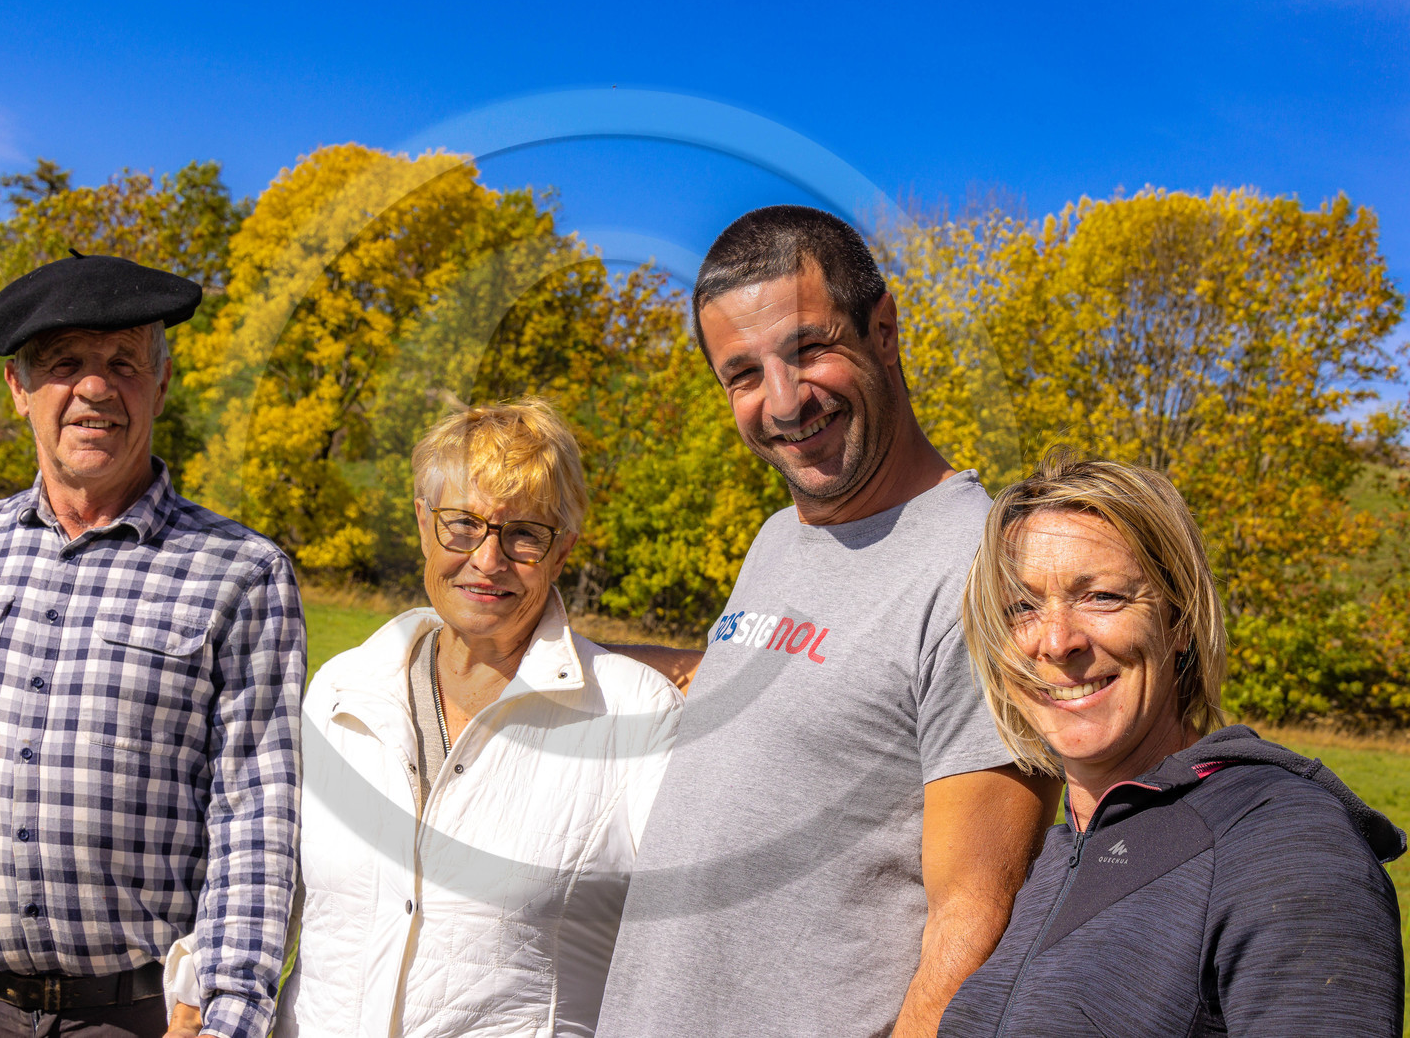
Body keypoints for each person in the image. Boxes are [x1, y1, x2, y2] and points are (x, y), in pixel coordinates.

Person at [596, 205, 1060, 1038]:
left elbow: (977, 913)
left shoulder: (979, 569)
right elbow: (785, 692)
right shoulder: (782, 535)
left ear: (883, 328)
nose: (782, 402)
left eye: (809, 349)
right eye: (743, 373)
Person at [0, 253, 306, 1038]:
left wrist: (229, 1013)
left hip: (132, 1014)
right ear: (19, 389)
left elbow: (256, 813)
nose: (95, 387)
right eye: (65, 364)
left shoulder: (242, 573)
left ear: (161, 382)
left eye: (123, 362)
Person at [164, 398, 683, 1036]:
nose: (488, 560)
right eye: (462, 524)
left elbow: (688, 947)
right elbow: (268, 883)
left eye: (524, 534)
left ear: (563, 549)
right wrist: (196, 995)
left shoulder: (634, 714)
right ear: (422, 522)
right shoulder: (344, 691)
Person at [939, 455, 1405, 1036]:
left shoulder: (1284, 844)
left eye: (1102, 596)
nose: (1056, 642)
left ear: (1179, 617)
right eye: (1021, 607)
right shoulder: (1057, 858)